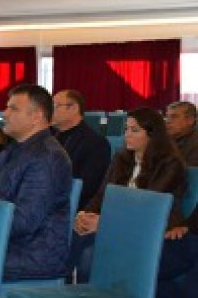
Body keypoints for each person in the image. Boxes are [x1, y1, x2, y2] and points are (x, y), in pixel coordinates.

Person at [68, 107, 186, 283]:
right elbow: (102, 195)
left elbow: (148, 207)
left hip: (149, 228)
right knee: (69, 238)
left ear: (152, 135)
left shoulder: (170, 164)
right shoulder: (121, 158)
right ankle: (66, 293)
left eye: (135, 130)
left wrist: (105, 223)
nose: (127, 135)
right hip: (115, 223)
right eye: (126, 129)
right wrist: (84, 214)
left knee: (89, 255)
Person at [0, 84, 72, 282]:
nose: (4, 114)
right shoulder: (13, 150)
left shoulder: (48, 157)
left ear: (36, 117)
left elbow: (23, 221)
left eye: (13, 109)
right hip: (7, 244)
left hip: (31, 255)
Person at [52, 89, 111, 208]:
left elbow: (86, 188)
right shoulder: (50, 137)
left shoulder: (95, 143)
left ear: (73, 108)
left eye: (55, 106)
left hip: (70, 207)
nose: (49, 111)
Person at [166, 101, 198, 166]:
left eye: (174, 117)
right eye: (167, 117)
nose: (168, 121)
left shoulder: (195, 144)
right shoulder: (165, 139)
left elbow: (188, 171)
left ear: (190, 120)